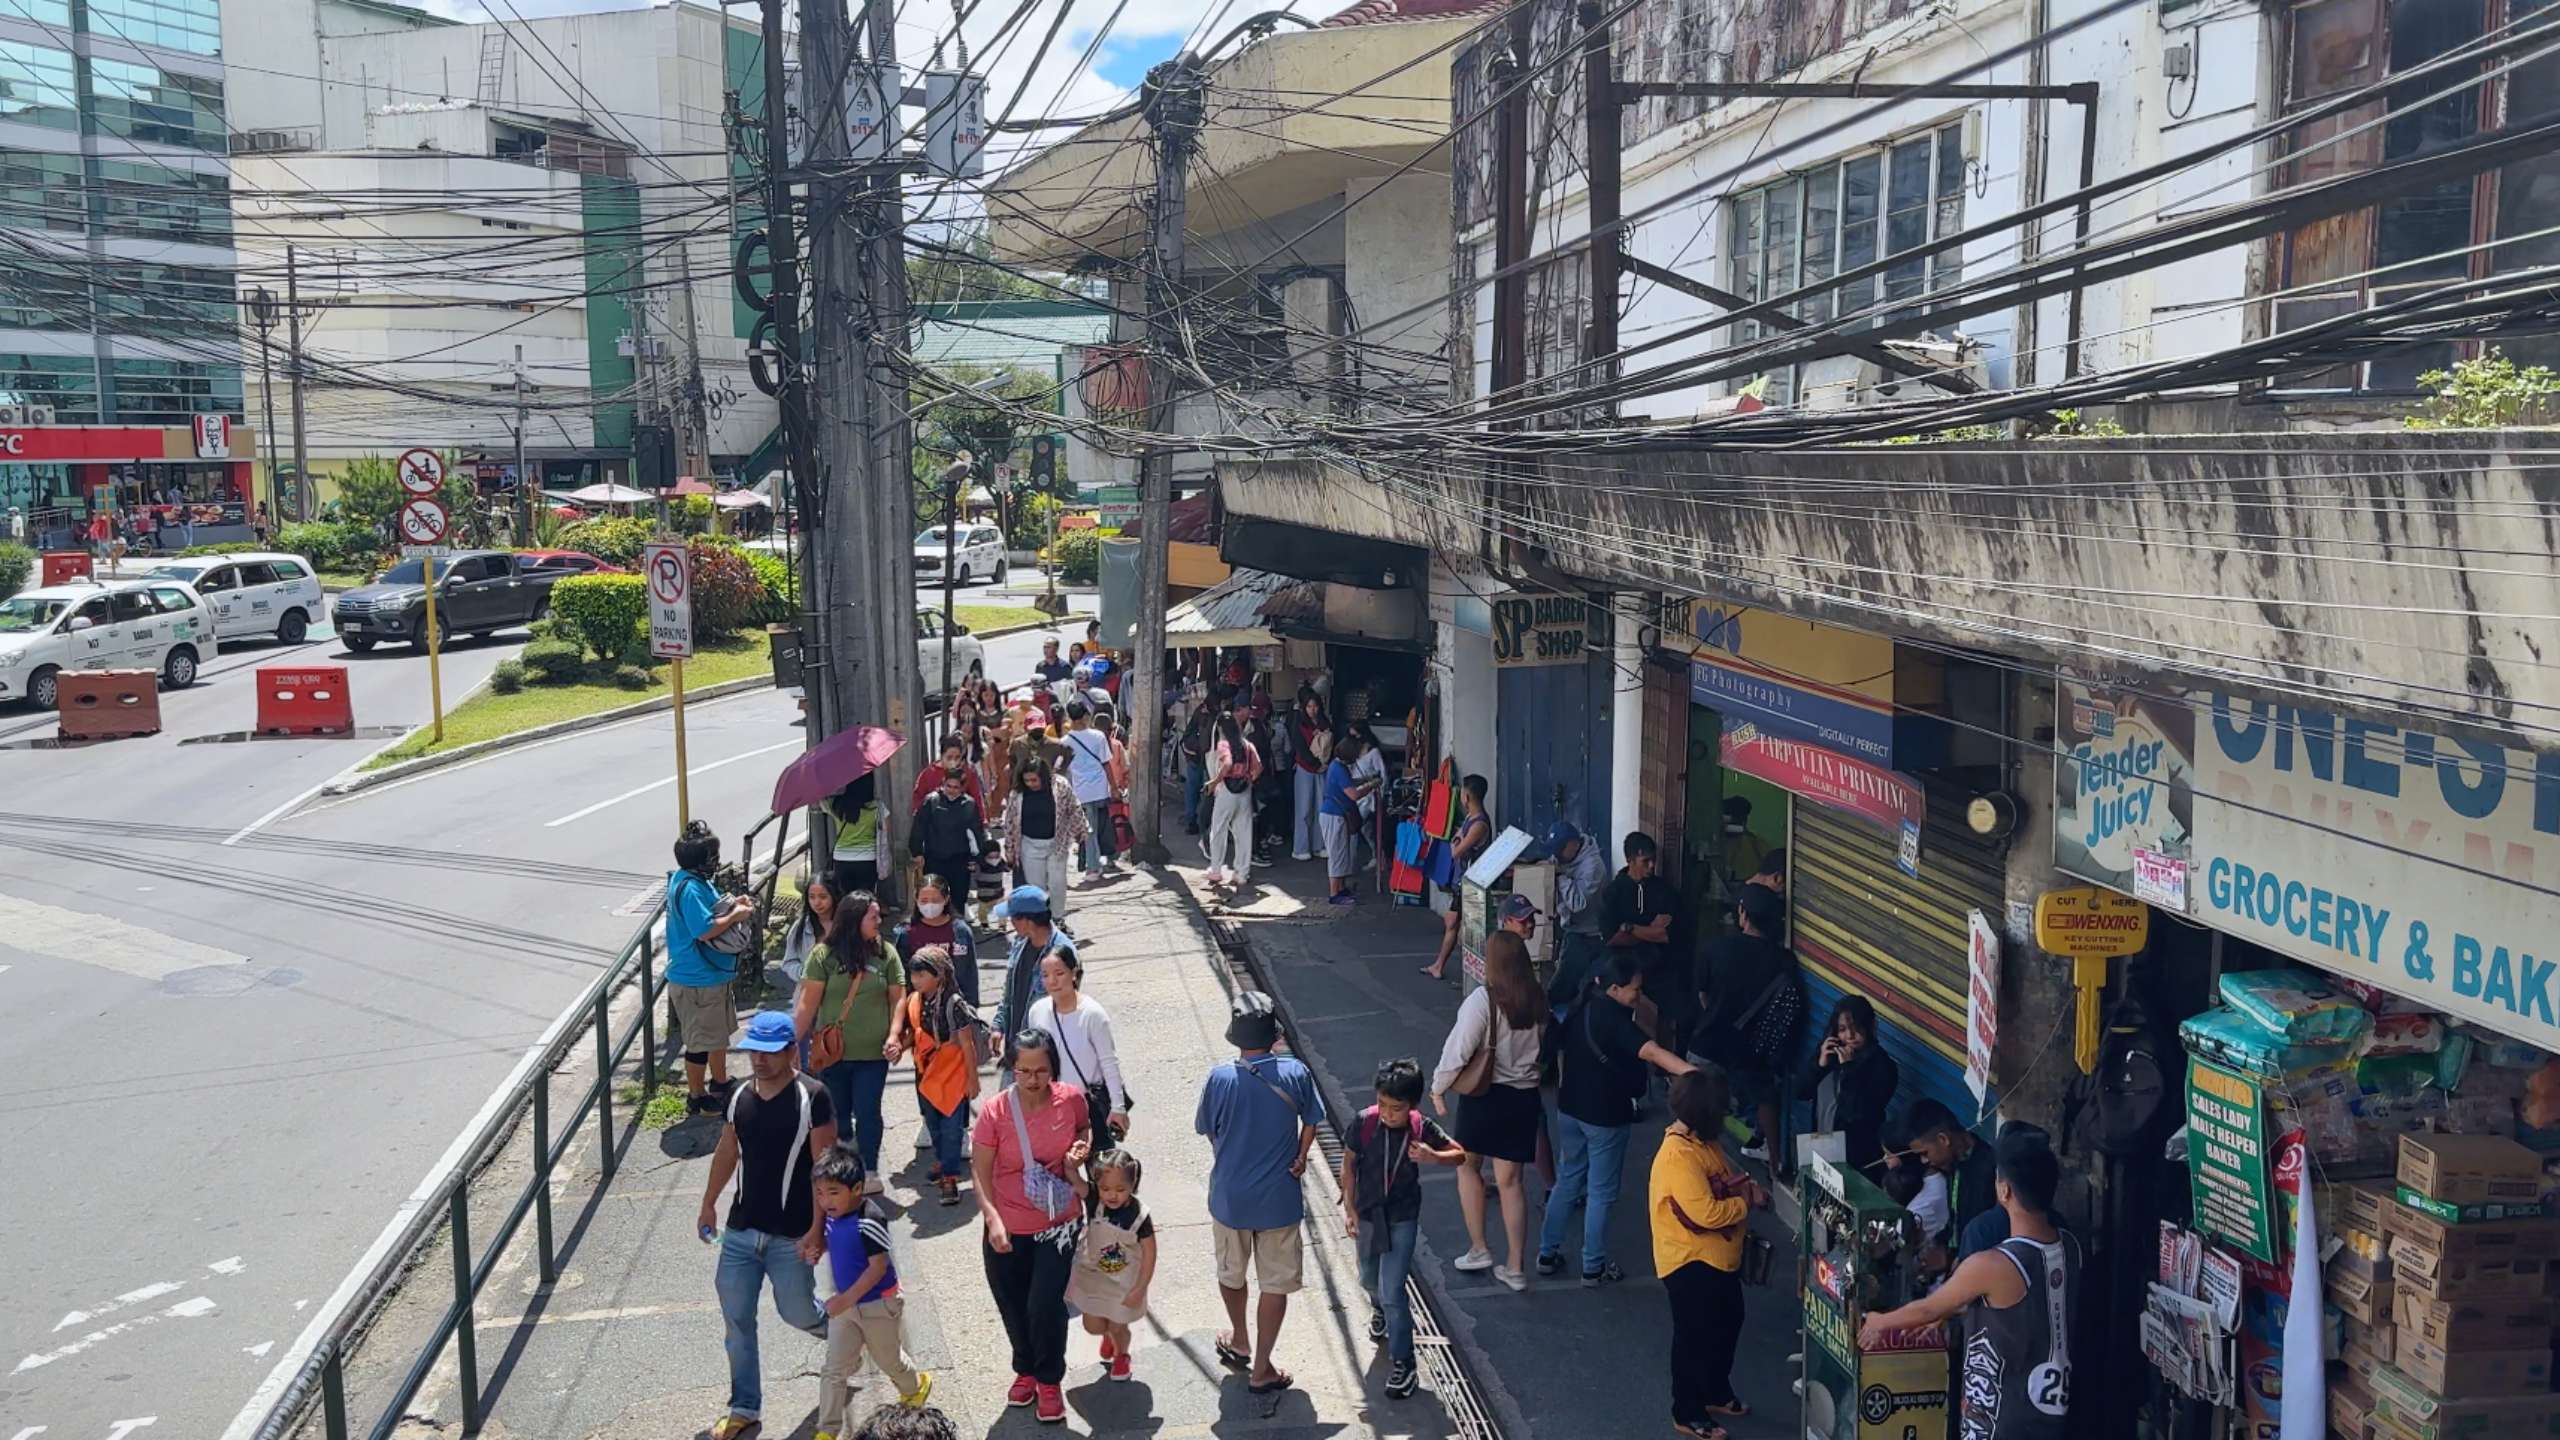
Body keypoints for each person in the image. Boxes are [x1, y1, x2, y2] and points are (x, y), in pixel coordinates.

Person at [1860, 1135, 2080, 1440]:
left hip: (2002, 1417)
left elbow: (1928, 1307)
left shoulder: (1994, 1265)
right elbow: (2018, 1307)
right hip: (2049, 1414)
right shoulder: (2069, 1246)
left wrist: (1879, 1322)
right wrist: (1953, 1309)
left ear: (2004, 1190)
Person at [697, 1011, 837, 1440]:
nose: (759, 1059)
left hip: (791, 1234)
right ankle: (744, 1407)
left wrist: (820, 1231)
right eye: (754, 1050)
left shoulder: (812, 1096)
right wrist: (708, 1204)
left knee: (797, 1313)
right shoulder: (739, 1096)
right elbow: (727, 1151)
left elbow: (824, 1170)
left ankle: (851, 1336)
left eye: (770, 1051)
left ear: (792, 1051)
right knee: (737, 1321)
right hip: (741, 1232)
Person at [1542, 947, 1699, 1285]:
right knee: (1600, 1192)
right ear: (1614, 989)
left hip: (1569, 1108)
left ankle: (1547, 1252)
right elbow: (1653, 1052)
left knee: (1568, 1179)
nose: (1639, 995)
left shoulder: (1579, 1007)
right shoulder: (1615, 1021)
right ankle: (1593, 1266)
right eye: (1635, 990)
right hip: (1605, 1117)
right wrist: (1692, 1073)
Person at [1196, 989, 1325, 1393]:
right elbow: (1312, 1120)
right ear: (1274, 1036)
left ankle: (1239, 1339)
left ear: (1235, 1036)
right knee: (1275, 1284)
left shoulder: (1219, 1078)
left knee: (1231, 1273)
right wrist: (1301, 1156)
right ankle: (1262, 1367)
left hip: (1230, 1197)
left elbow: (1207, 1130)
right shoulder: (1295, 1073)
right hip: (1279, 1199)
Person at [974, 1028, 1092, 1423]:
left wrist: (1080, 1151)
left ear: (1052, 1070)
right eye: (1023, 1071)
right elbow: (981, 1171)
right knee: (1013, 1304)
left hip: (1058, 1225)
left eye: (1040, 1071)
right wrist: (992, 1220)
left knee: (1045, 1306)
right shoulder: (995, 1111)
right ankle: (1024, 1369)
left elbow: (1084, 1129)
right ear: (1012, 1069)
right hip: (1007, 1225)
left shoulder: (1070, 1100)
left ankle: (1048, 1380)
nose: (1031, 1080)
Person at [1341, 1057, 1464, 1399]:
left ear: (1412, 1105)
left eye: (1395, 1107)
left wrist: (1432, 1156)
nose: (1387, 1112)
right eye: (1382, 1103)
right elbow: (1348, 1163)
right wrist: (1349, 1208)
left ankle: (1404, 1363)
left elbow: (1459, 1155)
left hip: (1402, 1218)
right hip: (1367, 1215)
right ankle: (1377, 1310)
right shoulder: (1364, 1124)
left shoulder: (1421, 1128)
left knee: (1393, 1291)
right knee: (1369, 1280)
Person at [1651, 1068, 1765, 1440]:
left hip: (1718, 1259)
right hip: (1689, 1262)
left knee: (1728, 1322)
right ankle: (1687, 1410)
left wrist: (1743, 1187)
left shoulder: (1704, 1144)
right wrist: (1745, 1203)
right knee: (1693, 1338)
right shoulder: (1678, 1156)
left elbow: (1726, 1177)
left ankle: (1716, 1390)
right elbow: (1707, 1213)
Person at [1431, 930, 1546, 1290]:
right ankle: (1515, 1268)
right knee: (1511, 1183)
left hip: (1485, 1097)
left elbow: (1458, 1050)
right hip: (1524, 1097)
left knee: (1468, 1168)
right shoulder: (1539, 999)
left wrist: (1438, 1088)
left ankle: (1479, 1248)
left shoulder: (1484, 1000)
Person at [811, 1143, 931, 1435]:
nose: (826, 1201)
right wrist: (814, 1248)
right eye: (820, 1193)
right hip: (846, 1308)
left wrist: (845, 1299)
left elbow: (877, 1268)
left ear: (857, 1189)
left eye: (833, 1192)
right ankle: (827, 1430)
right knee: (834, 1370)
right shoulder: (832, 1217)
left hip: (878, 1304)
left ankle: (916, 1386)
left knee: (888, 1360)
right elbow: (837, 1244)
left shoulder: (870, 1218)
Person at [793, 891, 908, 1185]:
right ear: (855, 920)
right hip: (833, 1053)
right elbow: (807, 1004)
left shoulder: (886, 953)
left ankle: (869, 1169)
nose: (879, 921)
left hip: (873, 1054)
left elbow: (899, 998)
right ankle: (844, 1167)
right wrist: (792, 1043)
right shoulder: (824, 956)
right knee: (838, 1113)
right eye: (873, 916)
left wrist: (895, 1034)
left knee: (869, 1111)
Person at [1696, 883, 1797, 1161]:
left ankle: (1698, 1164)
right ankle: (1776, 1167)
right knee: (1765, 1100)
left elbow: (1703, 995)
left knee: (1698, 1107)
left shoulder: (1714, 948)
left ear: (1743, 914)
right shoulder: (1784, 960)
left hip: (1711, 1041)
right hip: (1753, 1048)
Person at [667, 822, 755, 1114]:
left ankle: (719, 1080)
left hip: (711, 974)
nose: (716, 861)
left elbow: (713, 909)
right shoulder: (690, 887)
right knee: (699, 1043)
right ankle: (697, 1095)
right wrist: (737, 916)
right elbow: (703, 930)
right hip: (697, 978)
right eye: (712, 856)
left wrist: (733, 907)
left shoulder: (694, 880)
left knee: (717, 1034)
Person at [895, 945, 980, 1206]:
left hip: (953, 1075)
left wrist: (972, 1079)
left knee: (952, 1128)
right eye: (914, 975)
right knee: (933, 1123)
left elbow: (967, 1043)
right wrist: (898, 1046)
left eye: (922, 975)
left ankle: (950, 1178)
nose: (916, 980)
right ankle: (943, 1160)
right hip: (927, 1073)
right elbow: (914, 1035)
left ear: (939, 975)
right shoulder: (915, 1001)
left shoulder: (955, 1005)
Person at [1066, 1146, 1158, 1383]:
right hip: (1094, 1278)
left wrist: (1140, 1287)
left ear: (1132, 1185)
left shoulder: (1139, 1216)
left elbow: (1149, 1253)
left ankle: (1122, 1355)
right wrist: (1071, 1164)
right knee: (1093, 1326)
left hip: (1123, 1283)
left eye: (1120, 1189)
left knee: (1118, 1325)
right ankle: (1107, 1335)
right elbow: (1075, 1180)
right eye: (1106, 1188)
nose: (1112, 1195)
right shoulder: (1094, 1199)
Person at [1026, 947, 1130, 1146]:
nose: (1052, 981)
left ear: (1074, 973)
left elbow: (1109, 1063)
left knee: (1101, 1169)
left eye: (1059, 973)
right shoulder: (1037, 1012)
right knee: (1058, 1171)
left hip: (1090, 1105)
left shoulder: (1092, 1014)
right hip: (1053, 1105)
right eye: (1045, 975)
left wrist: (1118, 1107)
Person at [1892, 1098, 2001, 1269]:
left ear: (1943, 1139)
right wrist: (1937, 1245)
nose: (1924, 1160)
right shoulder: (1954, 1165)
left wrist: (1951, 1259)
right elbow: (1955, 1223)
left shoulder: (1988, 1172)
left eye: (1925, 1153)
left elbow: (1988, 1239)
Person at [1800, 995, 1899, 1173]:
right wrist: (1819, 1065)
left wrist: (1849, 1069)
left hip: (1857, 1157)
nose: (1850, 1036)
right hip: (1822, 1144)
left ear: (1870, 1026)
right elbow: (1800, 1092)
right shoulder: (1830, 1054)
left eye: (1857, 1028)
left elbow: (1856, 1112)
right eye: (1843, 1029)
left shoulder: (1883, 1067)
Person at [1599, 831, 1681, 1044]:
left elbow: (1664, 934)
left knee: (1675, 1012)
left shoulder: (1664, 891)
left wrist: (1629, 928)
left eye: (1653, 861)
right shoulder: (1613, 893)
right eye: (1646, 862)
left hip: (1658, 966)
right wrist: (1647, 931)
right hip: (1622, 967)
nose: (1651, 866)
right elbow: (1611, 938)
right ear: (1630, 860)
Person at [991, 885, 1078, 1064]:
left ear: (1027, 921)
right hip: (1016, 1050)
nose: (1010, 922)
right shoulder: (1020, 943)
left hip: (1044, 1058)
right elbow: (1009, 993)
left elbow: (1066, 1009)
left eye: (1013, 917)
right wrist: (998, 1026)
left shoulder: (1063, 953)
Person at [1005, 756, 1086, 935]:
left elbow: (1074, 808)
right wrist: (1009, 850)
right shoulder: (1017, 795)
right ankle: (1042, 923)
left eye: (1034, 779)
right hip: (1029, 846)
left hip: (1057, 843)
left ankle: (1058, 918)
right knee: (1037, 888)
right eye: (1026, 780)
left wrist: (1081, 830)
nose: (1031, 784)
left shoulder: (1060, 786)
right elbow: (1010, 822)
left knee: (1057, 883)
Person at [1425, 774, 1494, 979]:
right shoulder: (1470, 818)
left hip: (1471, 882)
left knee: (1462, 925)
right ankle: (1439, 965)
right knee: (1453, 922)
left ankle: (1470, 970)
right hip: (1462, 879)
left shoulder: (1479, 824)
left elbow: (1456, 850)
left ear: (1466, 797)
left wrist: (1456, 842)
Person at [909, 767, 989, 923]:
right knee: (934, 898)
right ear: (943, 784)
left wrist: (978, 858)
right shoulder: (931, 801)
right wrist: (916, 852)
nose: (951, 790)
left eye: (956, 787)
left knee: (958, 900)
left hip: (960, 861)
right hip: (934, 859)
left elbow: (977, 834)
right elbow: (919, 827)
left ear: (962, 788)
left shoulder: (969, 805)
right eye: (948, 786)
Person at [1545, 821, 1612, 1005]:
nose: (1556, 855)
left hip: (1589, 934)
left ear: (1574, 844)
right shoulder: (1562, 858)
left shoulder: (1594, 866)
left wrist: (1560, 877)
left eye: (1560, 850)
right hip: (1569, 927)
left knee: (1566, 988)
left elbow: (1577, 902)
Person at [895, 872, 979, 1005]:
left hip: (954, 1005)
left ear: (946, 899)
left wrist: (970, 1007)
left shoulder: (960, 931)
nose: (930, 905)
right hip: (918, 1006)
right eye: (924, 901)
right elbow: (900, 976)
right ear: (916, 899)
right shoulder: (905, 933)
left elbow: (969, 973)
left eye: (935, 900)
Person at [1319, 730, 1378, 906]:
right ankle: (1334, 892)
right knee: (1337, 854)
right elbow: (1353, 794)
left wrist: (1366, 780)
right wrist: (1370, 786)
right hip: (1333, 815)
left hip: (1338, 815)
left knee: (1342, 853)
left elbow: (1350, 783)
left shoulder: (1339, 767)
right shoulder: (1338, 769)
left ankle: (1341, 888)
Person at [1058, 702, 1116, 882]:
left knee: (1090, 829)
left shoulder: (1065, 742)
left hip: (1080, 791)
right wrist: (1114, 786)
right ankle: (1096, 864)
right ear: (1085, 717)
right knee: (1100, 826)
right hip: (1099, 788)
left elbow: (1063, 770)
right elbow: (1106, 763)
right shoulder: (1098, 736)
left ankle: (1093, 865)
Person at [1204, 712, 1262, 892]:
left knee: (1218, 829)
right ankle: (1241, 873)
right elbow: (1258, 767)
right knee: (1244, 833)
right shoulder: (1247, 745)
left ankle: (1216, 870)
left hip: (1226, 792)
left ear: (1220, 728)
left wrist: (1214, 782)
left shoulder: (1223, 744)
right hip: (1244, 792)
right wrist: (1249, 779)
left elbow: (1227, 763)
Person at [1288, 689, 1330, 861]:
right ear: (1304, 707)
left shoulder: (1324, 723)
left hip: (1321, 769)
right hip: (1305, 768)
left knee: (1321, 808)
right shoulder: (1299, 724)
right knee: (1304, 809)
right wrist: (1316, 763)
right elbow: (1300, 747)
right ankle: (1301, 848)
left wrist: (1322, 763)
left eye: (1315, 706)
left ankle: (1319, 845)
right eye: (1309, 706)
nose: (1313, 710)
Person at [1179, 685, 1227, 836]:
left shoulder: (1201, 711)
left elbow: (1188, 733)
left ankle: (1194, 820)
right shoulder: (1214, 715)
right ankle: (1199, 822)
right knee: (1205, 791)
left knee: (1195, 789)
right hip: (1204, 757)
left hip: (1199, 756)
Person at [780, 875, 841, 989]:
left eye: (823, 897)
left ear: (834, 896)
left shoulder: (846, 925)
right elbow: (788, 962)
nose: (817, 902)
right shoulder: (801, 926)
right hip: (808, 992)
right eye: (812, 897)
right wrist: (805, 974)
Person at [829, 774, 885, 896]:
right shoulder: (877, 807)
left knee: (846, 899)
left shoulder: (837, 806)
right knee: (866, 899)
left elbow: (821, 801)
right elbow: (886, 830)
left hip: (841, 859)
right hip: (867, 858)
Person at [911, 732, 984, 818]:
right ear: (942, 756)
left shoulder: (968, 773)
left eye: (957, 757)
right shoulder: (928, 774)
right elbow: (917, 801)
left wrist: (983, 823)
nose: (953, 761)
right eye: (949, 757)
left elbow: (977, 800)